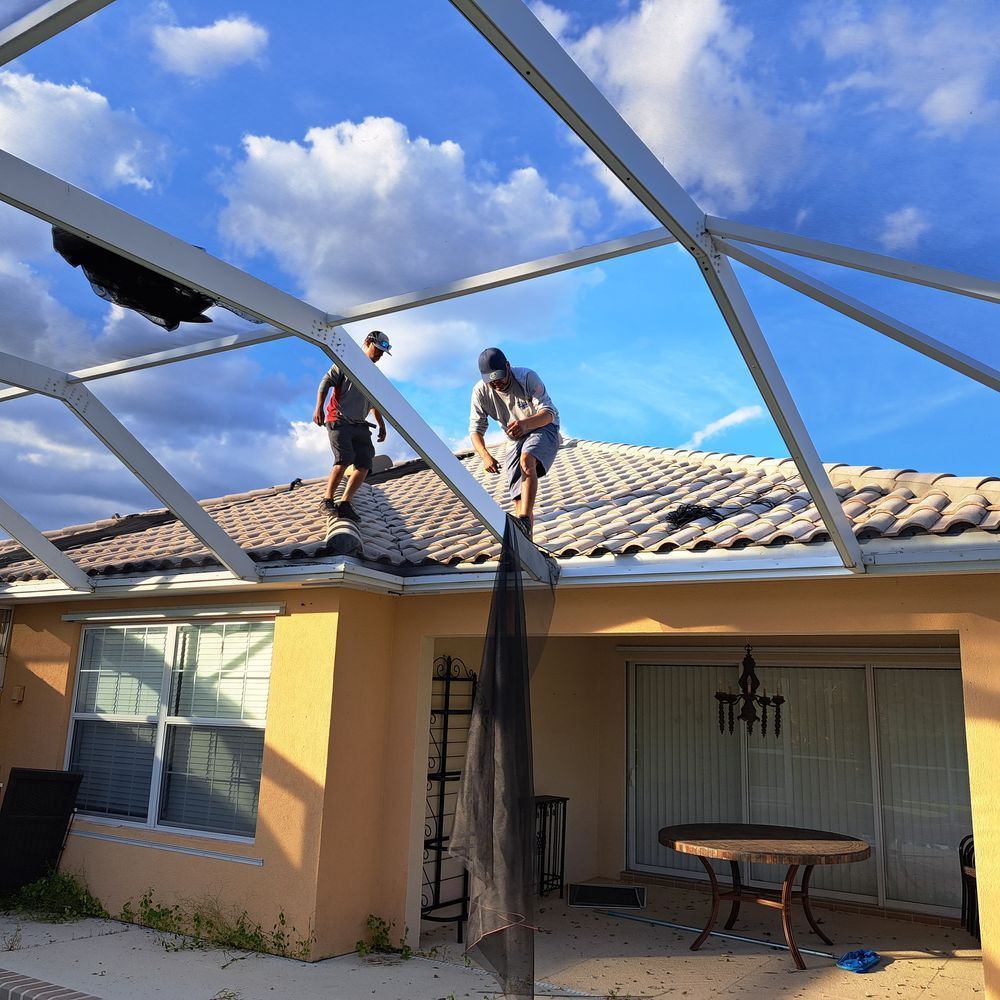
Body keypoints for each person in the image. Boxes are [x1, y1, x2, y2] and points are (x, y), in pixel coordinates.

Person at [469, 347, 560, 541]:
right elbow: (475, 430)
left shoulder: (527, 377)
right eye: (491, 381)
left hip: (545, 426)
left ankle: (525, 520)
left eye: (500, 378)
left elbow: (548, 413)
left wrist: (525, 424)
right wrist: (485, 456)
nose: (497, 384)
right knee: (519, 496)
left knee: (527, 460)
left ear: (508, 367)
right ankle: (526, 538)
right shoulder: (480, 392)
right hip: (516, 439)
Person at [313, 330, 391, 522]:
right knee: (344, 458)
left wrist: (381, 425)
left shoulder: (373, 375)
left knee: (364, 463)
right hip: (339, 419)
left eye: (382, 352)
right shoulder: (346, 363)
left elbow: (373, 403)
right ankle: (327, 500)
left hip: (359, 424)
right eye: (378, 349)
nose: (380, 354)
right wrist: (319, 408)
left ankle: (345, 503)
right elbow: (326, 383)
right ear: (367, 343)